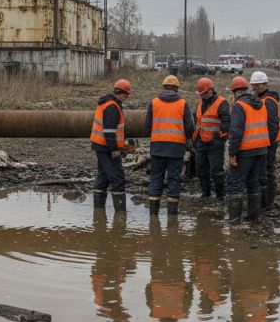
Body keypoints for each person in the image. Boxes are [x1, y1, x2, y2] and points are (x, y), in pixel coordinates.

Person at [225, 75, 277, 223]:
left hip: (245, 150)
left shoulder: (239, 106)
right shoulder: (260, 103)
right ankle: (253, 218)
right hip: (261, 150)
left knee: (235, 183)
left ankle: (234, 219)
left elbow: (236, 132)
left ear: (235, 92)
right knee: (253, 183)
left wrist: (232, 154)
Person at [146, 75, 195, 216]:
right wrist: (186, 139)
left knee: (156, 178)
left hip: (157, 147)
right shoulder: (182, 103)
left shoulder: (154, 102)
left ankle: (153, 215)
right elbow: (190, 126)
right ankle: (172, 217)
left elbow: (147, 125)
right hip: (176, 148)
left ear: (164, 87)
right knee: (173, 179)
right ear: (177, 89)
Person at [90, 79, 135, 211]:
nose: (126, 98)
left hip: (101, 145)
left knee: (103, 176)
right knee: (118, 178)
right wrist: (115, 150)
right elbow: (109, 132)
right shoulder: (112, 107)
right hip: (106, 147)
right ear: (123, 93)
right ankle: (120, 216)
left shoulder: (107, 103)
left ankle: (98, 213)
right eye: (126, 95)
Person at [192, 77, 230, 201]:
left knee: (216, 170)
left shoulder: (221, 102)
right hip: (201, 142)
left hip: (215, 143)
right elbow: (197, 120)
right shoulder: (201, 102)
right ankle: (206, 194)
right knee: (201, 169)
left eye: (205, 93)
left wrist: (221, 136)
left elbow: (226, 120)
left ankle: (220, 196)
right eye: (202, 94)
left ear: (211, 90)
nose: (204, 96)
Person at [249, 71, 280, 210]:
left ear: (264, 85)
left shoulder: (269, 101)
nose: (254, 89)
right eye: (253, 86)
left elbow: (272, 126)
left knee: (268, 172)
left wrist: (268, 144)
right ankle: (264, 201)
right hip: (263, 143)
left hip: (268, 144)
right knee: (263, 172)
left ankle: (268, 203)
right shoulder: (262, 99)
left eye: (256, 86)